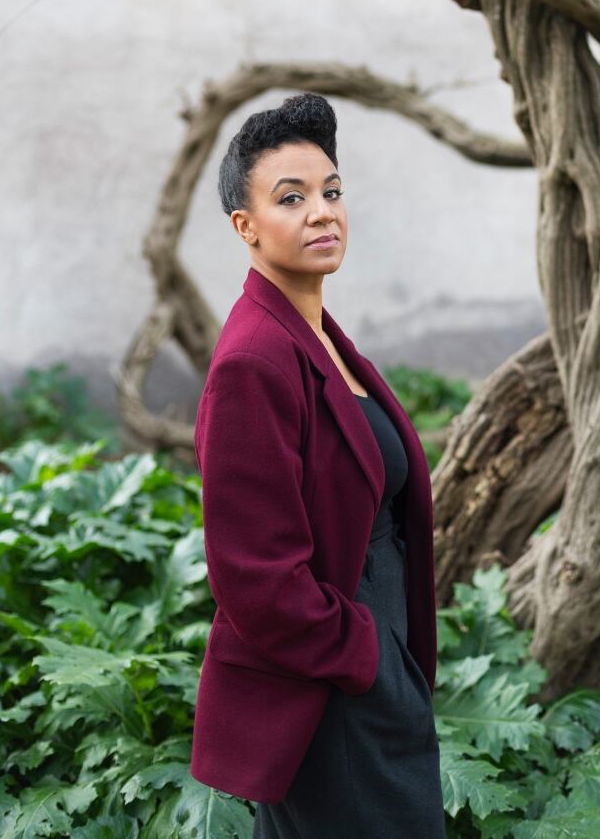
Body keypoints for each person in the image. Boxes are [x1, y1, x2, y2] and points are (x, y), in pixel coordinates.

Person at [190, 91, 446, 838]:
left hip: (373, 675)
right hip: (333, 698)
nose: (322, 211)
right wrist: (368, 661)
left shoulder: (317, 335)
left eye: (331, 192)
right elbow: (255, 579)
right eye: (291, 197)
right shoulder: (252, 362)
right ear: (246, 226)